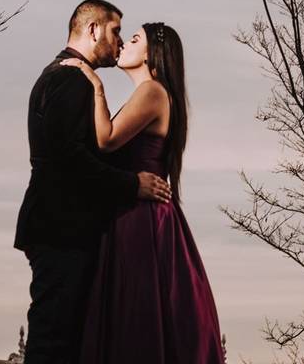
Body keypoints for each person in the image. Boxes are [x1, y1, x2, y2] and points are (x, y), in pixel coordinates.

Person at [14, 0, 172, 364]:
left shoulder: (63, 74)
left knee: (62, 339)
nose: (118, 42)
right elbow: (70, 160)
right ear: (93, 29)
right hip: (62, 227)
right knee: (55, 342)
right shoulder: (71, 78)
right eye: (116, 31)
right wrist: (132, 185)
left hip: (56, 224)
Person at [60, 21, 223, 363]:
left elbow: (105, 140)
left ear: (152, 53)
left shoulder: (153, 92)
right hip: (140, 215)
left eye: (133, 39)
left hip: (142, 221)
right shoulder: (151, 94)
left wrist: (94, 83)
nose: (123, 44)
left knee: (136, 315)